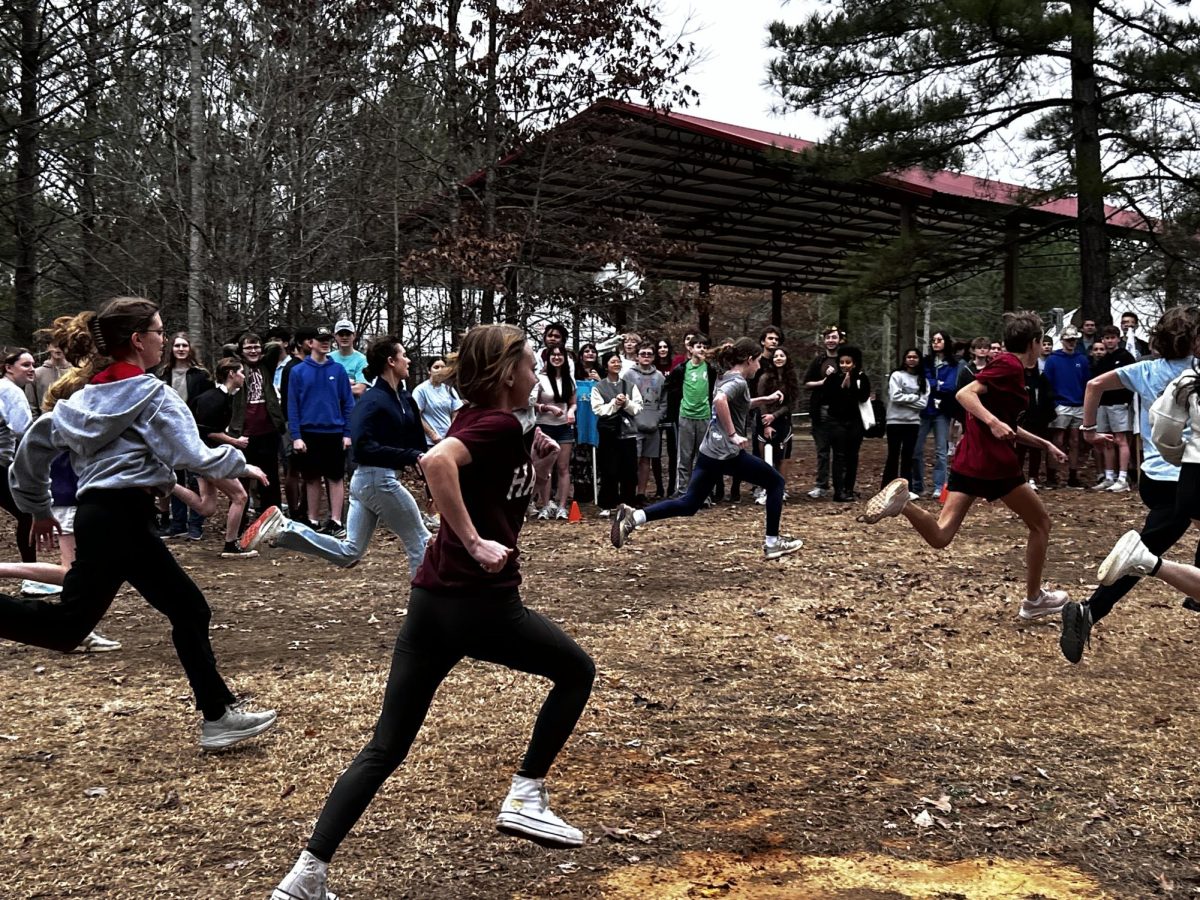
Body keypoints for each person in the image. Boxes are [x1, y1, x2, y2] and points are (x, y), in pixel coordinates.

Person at [269, 325, 596, 900]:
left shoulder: (486, 420)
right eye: (530, 364)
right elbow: (439, 464)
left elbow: (483, 464)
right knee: (575, 672)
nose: (537, 372)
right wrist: (473, 542)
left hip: (431, 604)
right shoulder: (492, 424)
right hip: (480, 602)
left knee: (386, 746)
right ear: (505, 374)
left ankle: (306, 877)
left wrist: (533, 449)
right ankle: (525, 794)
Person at [1, 296, 275, 750]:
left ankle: (219, 714)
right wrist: (239, 462)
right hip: (125, 517)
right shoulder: (153, 393)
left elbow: (34, 446)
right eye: (160, 332)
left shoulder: (79, 400)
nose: (164, 340)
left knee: (73, 626)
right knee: (181, 611)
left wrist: (36, 505)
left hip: (100, 517)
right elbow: (190, 454)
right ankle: (218, 716)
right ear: (137, 340)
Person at [860, 311, 1070, 621]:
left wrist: (1045, 444)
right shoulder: (1009, 365)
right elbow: (964, 394)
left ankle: (904, 504)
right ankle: (1034, 599)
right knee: (1041, 525)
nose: (1042, 348)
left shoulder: (1010, 370)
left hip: (968, 460)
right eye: (1042, 343)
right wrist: (993, 421)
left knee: (941, 536)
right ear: (1034, 342)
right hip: (995, 464)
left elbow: (1009, 426)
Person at [1058, 306, 1200, 663]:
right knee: (1142, 556)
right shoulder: (1195, 373)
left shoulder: (1145, 370)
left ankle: (1195, 591)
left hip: (1154, 475)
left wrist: (1089, 431)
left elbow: (1094, 385)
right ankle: (1090, 610)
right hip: (1183, 475)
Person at [241, 336, 431, 574]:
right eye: (404, 355)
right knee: (420, 541)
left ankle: (285, 530)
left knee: (349, 552)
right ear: (391, 361)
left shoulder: (405, 400)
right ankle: (424, 606)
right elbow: (363, 448)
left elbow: (417, 446)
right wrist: (409, 456)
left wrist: (427, 478)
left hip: (371, 482)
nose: (409, 361)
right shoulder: (372, 401)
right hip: (377, 480)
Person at [610, 337, 804, 560]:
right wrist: (733, 434)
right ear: (749, 360)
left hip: (710, 450)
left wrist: (765, 399)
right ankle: (772, 542)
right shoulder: (738, 382)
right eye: (758, 361)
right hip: (725, 453)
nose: (759, 366)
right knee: (776, 482)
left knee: (689, 503)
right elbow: (720, 401)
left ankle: (634, 517)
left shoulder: (725, 376)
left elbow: (738, 404)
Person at [288, 325, 355, 536]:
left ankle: (336, 521)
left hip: (334, 433)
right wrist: (296, 436)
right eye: (320, 339)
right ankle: (313, 520)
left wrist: (347, 432)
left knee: (335, 477)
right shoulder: (298, 371)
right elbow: (293, 406)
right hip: (309, 433)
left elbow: (348, 403)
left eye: (327, 339)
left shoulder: (338, 370)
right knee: (311, 478)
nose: (325, 343)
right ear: (311, 343)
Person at [191, 357, 259, 559]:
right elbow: (208, 432)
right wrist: (235, 442)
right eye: (241, 372)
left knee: (207, 507)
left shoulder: (224, 397)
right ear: (231, 374)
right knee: (240, 496)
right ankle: (231, 545)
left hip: (204, 456)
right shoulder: (214, 399)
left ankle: (169, 485)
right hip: (208, 457)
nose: (243, 376)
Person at [158, 332, 212, 539]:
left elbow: (207, 405)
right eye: (177, 346)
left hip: (195, 432)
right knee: (174, 479)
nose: (181, 349)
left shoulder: (201, 375)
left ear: (190, 349)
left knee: (197, 479)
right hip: (169, 432)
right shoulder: (163, 374)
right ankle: (177, 523)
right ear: (171, 349)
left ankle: (195, 524)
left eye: (184, 346)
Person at [228, 332, 286, 515]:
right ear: (241, 351)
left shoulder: (266, 365)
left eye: (256, 347)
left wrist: (259, 349)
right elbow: (226, 349)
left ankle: (271, 515)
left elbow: (275, 346)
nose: (253, 351)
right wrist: (239, 350)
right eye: (248, 348)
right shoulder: (237, 367)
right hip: (244, 431)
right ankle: (239, 518)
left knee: (270, 476)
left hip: (268, 430)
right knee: (242, 475)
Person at [911, 330, 962, 499]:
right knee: (916, 449)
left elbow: (951, 386)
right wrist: (936, 384)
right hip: (924, 410)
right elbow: (925, 382)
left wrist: (937, 385)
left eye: (939, 340)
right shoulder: (926, 362)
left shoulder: (954, 364)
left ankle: (940, 486)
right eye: (933, 340)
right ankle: (917, 485)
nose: (936, 343)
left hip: (942, 411)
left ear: (946, 342)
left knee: (941, 450)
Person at [666, 334, 717, 498]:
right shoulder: (681, 369)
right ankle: (682, 491)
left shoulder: (710, 369)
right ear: (690, 348)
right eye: (698, 346)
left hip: (705, 416)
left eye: (704, 346)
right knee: (685, 456)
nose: (701, 349)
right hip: (686, 416)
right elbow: (671, 389)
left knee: (703, 456)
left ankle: (704, 493)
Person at [592, 350, 643, 516]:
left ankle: (628, 503)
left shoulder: (630, 386)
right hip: (609, 434)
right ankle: (607, 504)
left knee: (629, 470)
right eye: (613, 362)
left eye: (618, 362)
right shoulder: (599, 387)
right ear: (606, 366)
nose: (616, 364)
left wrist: (626, 402)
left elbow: (637, 408)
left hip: (628, 433)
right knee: (609, 470)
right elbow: (598, 409)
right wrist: (615, 404)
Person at [0, 349, 36, 567]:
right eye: (25, 365)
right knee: (28, 512)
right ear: (9, 367)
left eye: (33, 364)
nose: (31, 369)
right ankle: (31, 574)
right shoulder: (11, 391)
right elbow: (23, 429)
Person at [531, 346, 577, 520]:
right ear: (547, 358)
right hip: (544, 426)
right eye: (553, 355)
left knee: (563, 467)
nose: (557, 357)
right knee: (545, 468)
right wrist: (547, 408)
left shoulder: (568, 379)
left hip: (564, 426)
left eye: (560, 355)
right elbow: (531, 403)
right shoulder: (540, 379)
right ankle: (545, 505)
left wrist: (571, 411)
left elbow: (572, 402)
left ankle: (562, 506)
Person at [1089, 325, 1136, 492]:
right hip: (1103, 404)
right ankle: (1110, 476)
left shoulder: (1125, 357)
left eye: (1112, 338)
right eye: (1106, 338)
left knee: (1121, 440)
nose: (1109, 341)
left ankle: (1123, 477)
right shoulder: (1102, 360)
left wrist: (1126, 399)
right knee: (1107, 441)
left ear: (1118, 339)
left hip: (1119, 404)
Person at [1043, 324, 1090, 488]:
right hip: (1061, 404)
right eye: (1069, 340)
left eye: (1074, 340)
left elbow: (1086, 382)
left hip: (1077, 404)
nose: (1072, 342)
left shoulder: (1082, 359)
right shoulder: (1054, 359)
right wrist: (1053, 403)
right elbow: (1047, 383)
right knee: (1058, 439)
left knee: (1076, 440)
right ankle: (1052, 473)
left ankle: (1072, 474)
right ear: (1062, 341)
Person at [822, 345, 871, 503]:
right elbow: (828, 398)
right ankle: (839, 490)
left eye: (847, 362)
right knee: (839, 456)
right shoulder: (833, 378)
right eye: (841, 362)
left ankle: (849, 488)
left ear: (854, 363)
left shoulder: (862, 378)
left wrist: (851, 388)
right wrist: (842, 387)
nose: (844, 365)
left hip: (855, 422)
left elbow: (863, 397)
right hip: (836, 422)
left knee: (852, 456)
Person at [882, 348, 929, 491]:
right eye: (909, 357)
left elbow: (923, 403)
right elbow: (895, 397)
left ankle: (905, 489)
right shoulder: (897, 376)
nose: (912, 359)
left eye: (915, 357)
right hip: (894, 421)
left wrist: (906, 399)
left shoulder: (923, 380)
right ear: (904, 359)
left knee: (908, 456)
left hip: (913, 422)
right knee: (893, 455)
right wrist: (914, 397)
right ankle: (887, 488)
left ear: (919, 360)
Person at [803, 326, 842, 498]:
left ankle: (842, 487)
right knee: (822, 450)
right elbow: (806, 383)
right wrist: (823, 382)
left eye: (834, 337)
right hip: (821, 410)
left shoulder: (845, 359)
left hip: (842, 412)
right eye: (828, 337)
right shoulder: (818, 361)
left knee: (841, 451)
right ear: (824, 340)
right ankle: (821, 485)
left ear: (840, 339)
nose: (831, 340)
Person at [756, 346, 800, 495]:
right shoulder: (765, 377)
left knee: (783, 458)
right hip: (765, 421)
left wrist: (775, 415)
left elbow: (792, 403)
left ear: (787, 358)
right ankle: (765, 489)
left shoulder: (791, 379)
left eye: (782, 355)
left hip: (783, 421)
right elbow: (761, 401)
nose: (779, 358)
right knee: (765, 458)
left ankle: (780, 489)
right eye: (775, 356)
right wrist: (767, 423)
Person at [625, 342, 666, 505]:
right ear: (637, 356)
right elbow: (623, 397)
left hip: (652, 424)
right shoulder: (629, 375)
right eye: (643, 353)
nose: (646, 356)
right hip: (634, 424)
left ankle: (641, 493)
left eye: (649, 354)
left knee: (646, 460)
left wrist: (658, 417)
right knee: (633, 459)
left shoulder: (660, 377)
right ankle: (629, 492)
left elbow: (664, 401)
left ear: (654, 357)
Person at [413, 356, 463, 447]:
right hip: (430, 442)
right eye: (436, 367)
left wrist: (453, 432)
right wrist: (433, 435)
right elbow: (416, 415)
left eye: (443, 367)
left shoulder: (449, 389)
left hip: (448, 441)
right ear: (429, 370)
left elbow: (455, 412)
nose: (440, 370)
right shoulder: (421, 390)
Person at [330, 319, 369, 398]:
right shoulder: (328, 358)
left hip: (352, 408)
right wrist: (347, 382)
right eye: (341, 334)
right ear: (335, 336)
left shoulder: (362, 360)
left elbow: (359, 390)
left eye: (348, 334)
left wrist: (333, 384)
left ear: (354, 336)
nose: (344, 337)